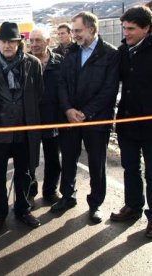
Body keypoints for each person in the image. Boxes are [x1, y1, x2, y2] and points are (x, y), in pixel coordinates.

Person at [51, 12, 119, 224]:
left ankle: (96, 203)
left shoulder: (110, 54)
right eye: (73, 31)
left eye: (78, 30)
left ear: (92, 29)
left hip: (96, 120)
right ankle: (67, 196)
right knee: (69, 158)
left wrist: (87, 112)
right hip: (70, 119)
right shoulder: (70, 52)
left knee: (96, 162)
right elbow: (61, 83)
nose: (74, 35)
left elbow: (109, 90)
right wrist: (68, 109)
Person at [0, 22, 44, 232]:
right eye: (4, 41)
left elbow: (38, 94)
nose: (7, 46)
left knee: (25, 173)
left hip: (25, 131)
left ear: (19, 43)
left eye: (12, 42)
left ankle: (23, 209)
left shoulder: (33, 63)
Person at [110, 6, 152, 238]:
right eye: (124, 28)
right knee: (130, 168)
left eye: (132, 29)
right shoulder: (123, 51)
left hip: (150, 126)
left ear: (146, 28)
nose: (126, 33)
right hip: (127, 123)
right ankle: (133, 206)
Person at [27, 27, 63, 206]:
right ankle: (29, 194)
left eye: (38, 40)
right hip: (30, 120)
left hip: (52, 119)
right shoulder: (23, 62)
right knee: (29, 160)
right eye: (31, 40)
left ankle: (50, 191)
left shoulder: (59, 62)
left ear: (48, 41)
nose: (33, 44)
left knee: (53, 159)